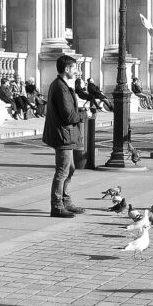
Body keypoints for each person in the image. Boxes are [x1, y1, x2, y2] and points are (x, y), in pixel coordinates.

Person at [42, 55, 87, 218]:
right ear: (67, 69)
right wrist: (81, 115)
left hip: (65, 134)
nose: (77, 71)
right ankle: (57, 205)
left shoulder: (62, 85)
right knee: (62, 171)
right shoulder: (60, 88)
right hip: (63, 135)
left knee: (71, 168)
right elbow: (68, 116)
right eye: (74, 68)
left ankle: (66, 201)